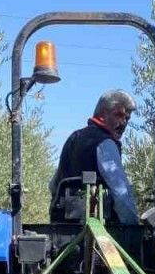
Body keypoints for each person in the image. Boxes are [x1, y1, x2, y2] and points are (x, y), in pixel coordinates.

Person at [49, 90, 140, 224]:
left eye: (127, 118)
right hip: (98, 229)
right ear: (102, 114)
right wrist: (133, 227)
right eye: (118, 115)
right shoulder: (105, 143)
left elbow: (53, 185)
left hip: (62, 226)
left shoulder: (73, 138)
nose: (123, 123)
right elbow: (121, 194)